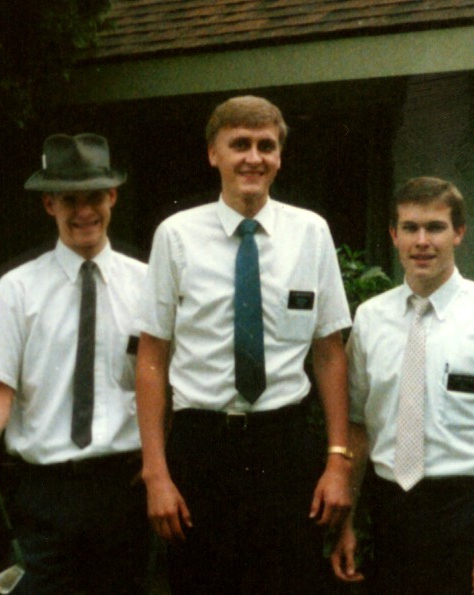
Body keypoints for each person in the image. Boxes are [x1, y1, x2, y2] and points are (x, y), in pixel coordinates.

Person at [136, 95, 353, 593]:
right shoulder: (176, 236)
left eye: (266, 146)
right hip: (201, 446)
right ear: (213, 154)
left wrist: (337, 460)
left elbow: (329, 352)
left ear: (279, 156)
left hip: (284, 446)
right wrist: (156, 473)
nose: (254, 157)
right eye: (240, 145)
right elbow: (152, 357)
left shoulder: (311, 233)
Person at [332, 176, 474, 594]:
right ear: (393, 236)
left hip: (470, 512)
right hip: (390, 510)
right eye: (410, 228)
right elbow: (357, 428)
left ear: (459, 233)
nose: (422, 241)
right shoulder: (369, 318)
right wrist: (345, 523)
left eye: (435, 227)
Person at [0, 133, 149, 594]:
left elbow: (157, 385)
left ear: (113, 196)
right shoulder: (17, 288)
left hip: (124, 487)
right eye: (69, 199)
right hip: (43, 493)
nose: (84, 211)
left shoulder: (148, 285)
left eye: (94, 197)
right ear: (49, 204)